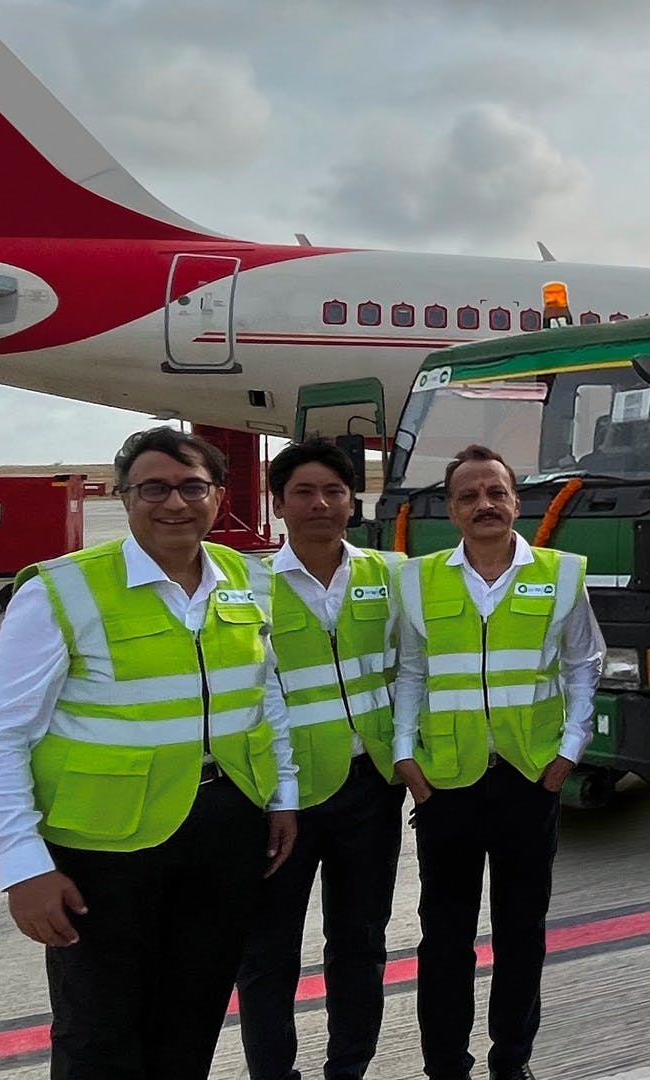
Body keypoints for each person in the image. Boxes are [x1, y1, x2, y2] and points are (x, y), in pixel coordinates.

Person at [0, 426, 299, 1079]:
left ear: (219, 495)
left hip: (224, 829)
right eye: (153, 488)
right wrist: (23, 863)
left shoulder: (247, 579)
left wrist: (280, 794)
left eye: (191, 486)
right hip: (105, 845)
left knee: (193, 1014)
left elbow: (266, 696)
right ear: (124, 497)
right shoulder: (66, 591)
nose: (174, 503)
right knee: (100, 1029)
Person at [392, 443, 604, 1080]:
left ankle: (512, 1063)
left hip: (528, 779)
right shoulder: (417, 578)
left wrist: (570, 750)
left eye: (495, 493)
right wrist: (405, 755)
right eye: (467, 496)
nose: (483, 504)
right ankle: (445, 1069)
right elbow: (409, 670)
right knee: (445, 942)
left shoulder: (562, 573)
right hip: (446, 786)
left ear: (517, 501)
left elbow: (584, 663)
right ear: (451, 510)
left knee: (521, 936)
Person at [238, 438, 406, 1080]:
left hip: (370, 788)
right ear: (278, 504)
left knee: (360, 943)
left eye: (334, 491)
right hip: (282, 799)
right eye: (304, 493)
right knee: (267, 952)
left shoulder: (389, 574)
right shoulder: (246, 585)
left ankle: (349, 1068)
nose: (321, 504)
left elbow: (412, 671)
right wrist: (279, 792)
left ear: (352, 500)